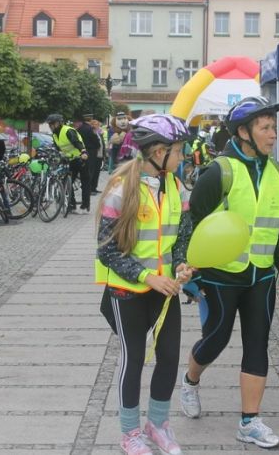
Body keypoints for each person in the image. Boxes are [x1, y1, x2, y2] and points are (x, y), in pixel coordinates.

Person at [180, 96, 279, 449]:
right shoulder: (219, 172)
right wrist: (192, 277)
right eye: (265, 127)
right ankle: (191, 380)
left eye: (273, 127)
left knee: (257, 343)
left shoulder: (277, 172)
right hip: (221, 276)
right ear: (243, 132)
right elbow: (191, 224)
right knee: (217, 338)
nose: (273, 134)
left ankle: (249, 421)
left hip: (261, 276)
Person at [95, 114, 194, 455]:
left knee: (169, 357)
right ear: (158, 152)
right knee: (133, 359)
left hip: (165, 289)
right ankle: (130, 433)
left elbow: (182, 238)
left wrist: (181, 264)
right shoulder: (121, 189)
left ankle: (158, 424)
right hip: (128, 290)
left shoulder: (177, 187)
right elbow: (107, 250)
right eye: (178, 151)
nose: (183, 156)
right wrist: (147, 276)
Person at [46, 113, 90, 214]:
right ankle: (71, 205)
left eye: (53, 124)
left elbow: (77, 142)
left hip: (81, 158)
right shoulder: (55, 135)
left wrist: (83, 152)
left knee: (85, 183)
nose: (51, 126)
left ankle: (85, 206)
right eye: (50, 124)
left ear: (59, 123)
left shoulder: (68, 130)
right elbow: (58, 148)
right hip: (70, 160)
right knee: (66, 182)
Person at [78, 113, 101, 194]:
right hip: (91, 151)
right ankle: (89, 189)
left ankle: (91, 188)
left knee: (87, 170)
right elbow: (94, 139)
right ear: (90, 119)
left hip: (83, 151)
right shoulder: (90, 129)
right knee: (90, 170)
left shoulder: (80, 128)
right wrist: (98, 145)